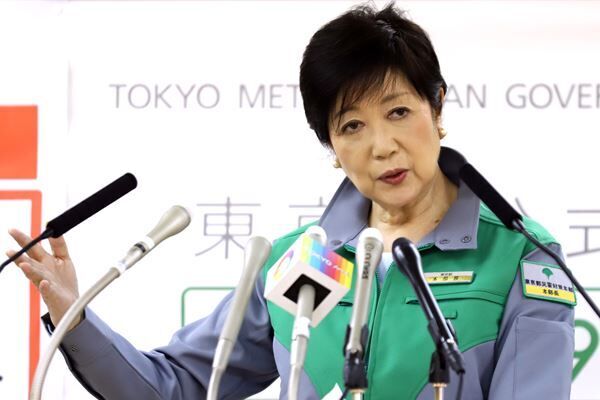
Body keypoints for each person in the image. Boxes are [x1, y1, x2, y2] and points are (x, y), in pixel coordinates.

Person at [6, 3, 574, 399]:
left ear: (438, 106)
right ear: (331, 147)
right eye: (351, 126)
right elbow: (174, 387)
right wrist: (73, 314)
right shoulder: (294, 262)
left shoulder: (521, 255)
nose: (382, 146)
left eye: (399, 112)